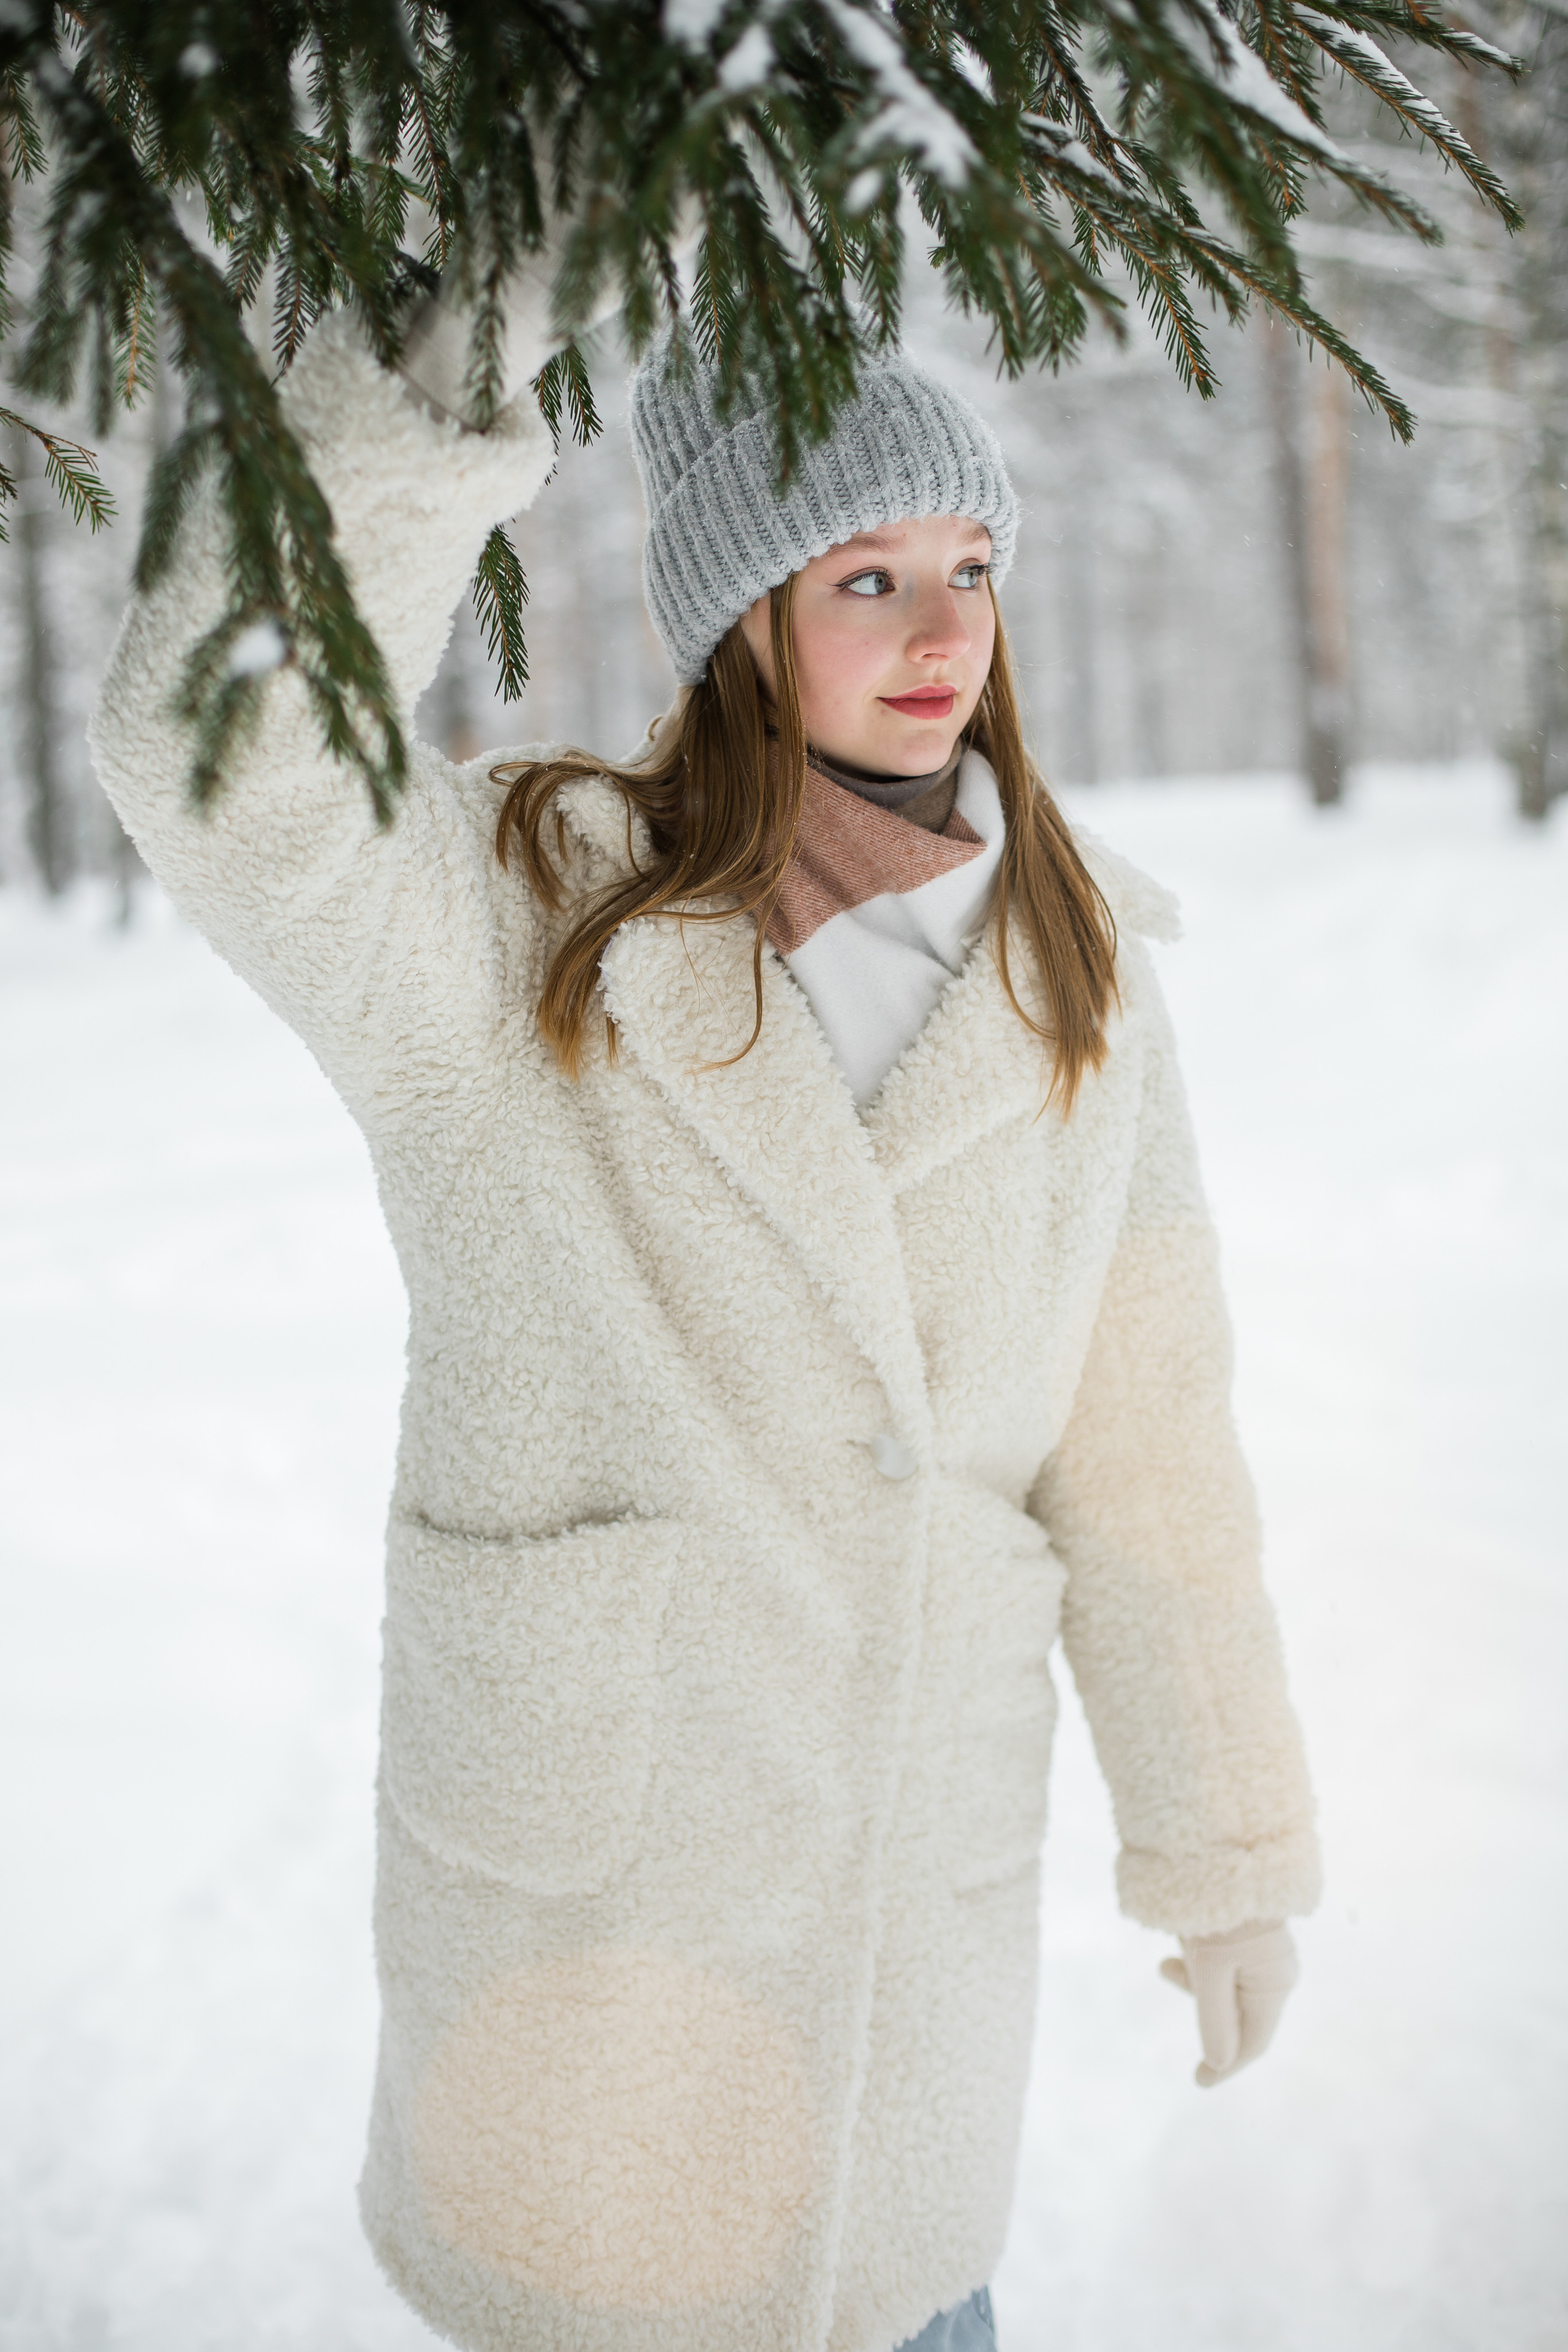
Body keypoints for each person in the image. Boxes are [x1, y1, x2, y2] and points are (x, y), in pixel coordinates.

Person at [89, 237, 1320, 2352]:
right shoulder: (521, 921)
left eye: (972, 566)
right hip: (588, 1969)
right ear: (738, 619)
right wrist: (439, 349)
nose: (944, 632)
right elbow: (226, 767)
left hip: (896, 1983)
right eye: (864, 578)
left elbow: (1151, 1446)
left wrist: (1223, 1844)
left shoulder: (1082, 964)